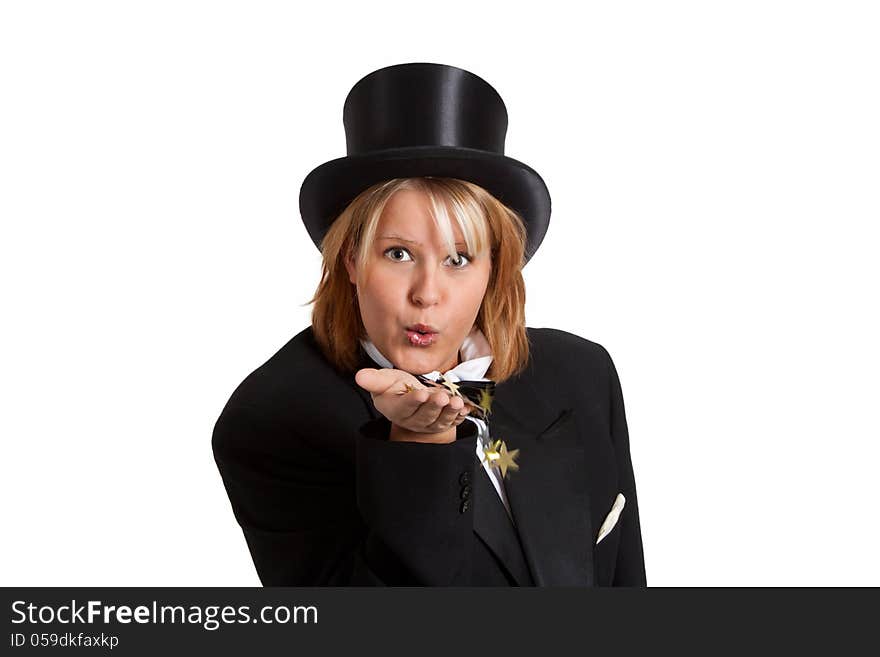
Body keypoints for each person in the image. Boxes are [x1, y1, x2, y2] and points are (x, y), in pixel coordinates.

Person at [211, 62, 646, 586]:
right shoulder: (271, 420)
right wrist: (416, 447)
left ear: (495, 269)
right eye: (398, 253)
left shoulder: (582, 372)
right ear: (351, 259)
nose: (428, 294)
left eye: (458, 259)